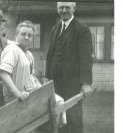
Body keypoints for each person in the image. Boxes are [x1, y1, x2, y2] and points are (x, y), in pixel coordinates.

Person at [45, 2, 93, 133]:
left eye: (67, 7)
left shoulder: (82, 30)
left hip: (73, 85)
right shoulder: (54, 29)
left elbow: (86, 58)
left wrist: (86, 82)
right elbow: (50, 55)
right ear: (57, 9)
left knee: (74, 121)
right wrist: (46, 77)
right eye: (61, 7)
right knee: (60, 120)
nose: (64, 10)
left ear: (74, 9)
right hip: (55, 84)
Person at [0, 20, 39, 103]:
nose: (26, 37)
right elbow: (3, 73)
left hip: (31, 95)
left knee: (59, 102)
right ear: (16, 35)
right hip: (17, 100)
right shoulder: (12, 49)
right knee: (59, 103)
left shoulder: (28, 53)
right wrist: (18, 94)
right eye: (23, 34)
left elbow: (31, 76)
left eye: (30, 35)